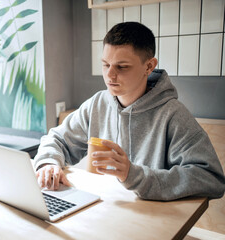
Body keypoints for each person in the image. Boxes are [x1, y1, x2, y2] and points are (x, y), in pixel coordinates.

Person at [34, 22, 225, 201]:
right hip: (103, 210)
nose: (110, 75)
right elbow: (57, 139)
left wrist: (133, 175)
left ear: (149, 66)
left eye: (121, 66)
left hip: (151, 223)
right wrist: (48, 163)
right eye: (106, 64)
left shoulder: (173, 115)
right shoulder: (97, 103)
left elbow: (211, 179)